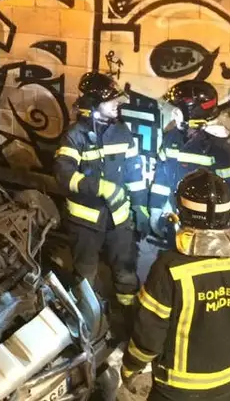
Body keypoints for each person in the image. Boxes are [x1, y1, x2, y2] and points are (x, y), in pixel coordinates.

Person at [122, 169, 230, 401]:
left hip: (177, 389)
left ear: (183, 213)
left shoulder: (169, 268)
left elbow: (149, 334)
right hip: (228, 382)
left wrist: (131, 368)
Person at [52, 71, 147, 318]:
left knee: (126, 270)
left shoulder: (122, 131)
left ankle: (127, 314)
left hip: (119, 220)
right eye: (111, 101)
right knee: (85, 274)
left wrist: (141, 207)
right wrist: (101, 187)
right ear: (94, 103)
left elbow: (135, 174)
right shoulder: (75, 136)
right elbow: (64, 175)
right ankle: (89, 318)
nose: (117, 105)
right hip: (85, 224)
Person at [148, 80, 230, 247]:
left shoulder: (224, 149)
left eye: (177, 110)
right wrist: (156, 208)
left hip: (208, 232)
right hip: (177, 221)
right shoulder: (172, 137)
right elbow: (162, 178)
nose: (173, 114)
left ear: (192, 113)